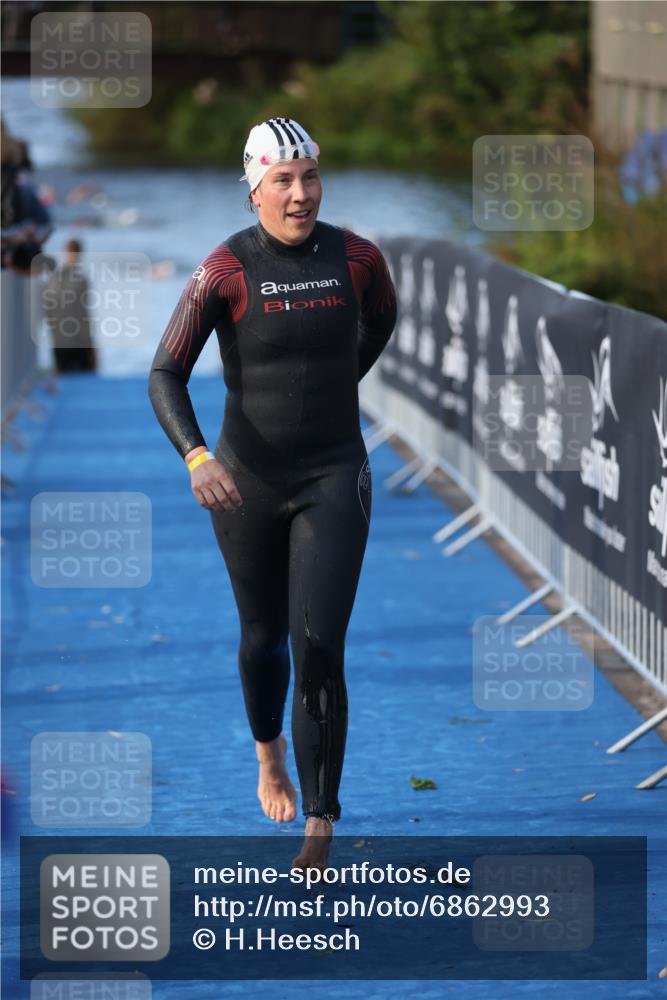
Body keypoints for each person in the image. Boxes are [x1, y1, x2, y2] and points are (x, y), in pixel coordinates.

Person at [148, 117, 396, 870]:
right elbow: (165, 374)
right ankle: (269, 754)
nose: (300, 194)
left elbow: (380, 323)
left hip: (334, 472)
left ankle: (320, 819)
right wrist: (197, 459)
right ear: (254, 189)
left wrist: (331, 388)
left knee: (319, 644)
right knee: (263, 639)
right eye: (283, 181)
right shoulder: (225, 269)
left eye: (310, 177)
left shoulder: (357, 258)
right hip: (246, 481)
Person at [42, 239, 97, 373]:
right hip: (68, 340)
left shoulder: (56, 279)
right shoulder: (74, 280)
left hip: (68, 339)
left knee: (69, 376)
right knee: (80, 376)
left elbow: (83, 313)